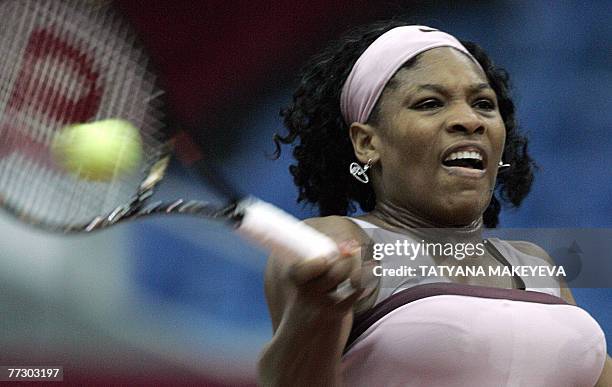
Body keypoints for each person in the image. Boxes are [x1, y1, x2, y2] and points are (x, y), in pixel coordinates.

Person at [258, 21, 610, 386]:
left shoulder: (537, 266)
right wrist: (317, 313)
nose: (469, 120)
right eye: (430, 104)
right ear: (367, 143)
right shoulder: (337, 242)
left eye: (483, 104)